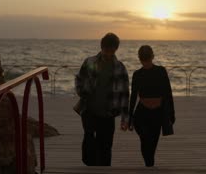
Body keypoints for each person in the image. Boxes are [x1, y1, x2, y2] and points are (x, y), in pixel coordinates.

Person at [75, 32, 130, 166]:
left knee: (105, 146)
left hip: (108, 112)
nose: (108, 53)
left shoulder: (120, 68)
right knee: (89, 140)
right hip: (88, 109)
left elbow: (124, 94)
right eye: (106, 49)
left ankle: (104, 169)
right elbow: (79, 79)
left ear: (115, 49)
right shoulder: (90, 62)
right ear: (101, 47)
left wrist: (125, 119)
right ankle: (91, 164)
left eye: (111, 50)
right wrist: (81, 92)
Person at [128, 45, 175, 167]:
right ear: (152, 56)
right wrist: (172, 114)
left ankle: (149, 165)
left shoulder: (156, 71)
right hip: (146, 114)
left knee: (149, 143)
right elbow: (168, 94)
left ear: (139, 58)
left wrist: (171, 114)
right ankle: (149, 166)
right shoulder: (144, 73)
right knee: (147, 142)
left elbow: (133, 97)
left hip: (153, 113)